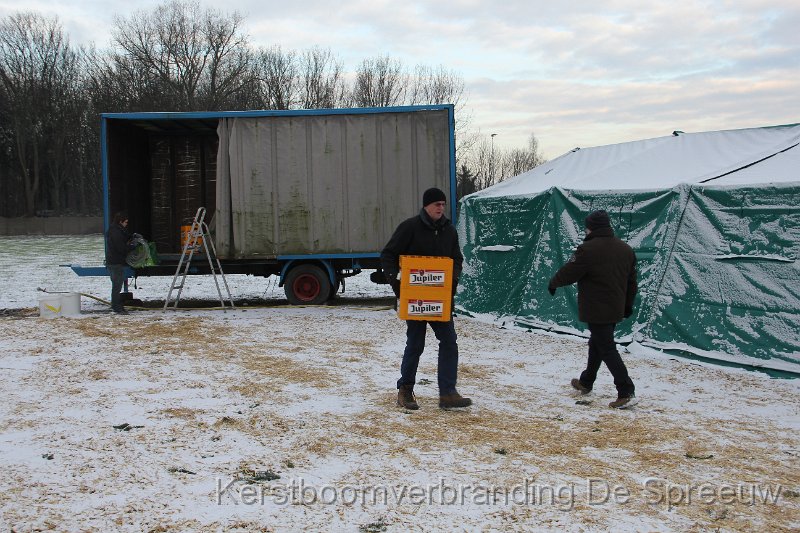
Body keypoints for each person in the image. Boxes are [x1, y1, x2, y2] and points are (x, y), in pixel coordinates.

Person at [381, 187, 472, 410]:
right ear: (426, 206)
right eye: (436, 204)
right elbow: (388, 255)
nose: (441, 208)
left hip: (440, 300)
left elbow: (457, 259)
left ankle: (448, 393)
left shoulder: (449, 231)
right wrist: (398, 284)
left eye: (443, 204)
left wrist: (452, 280)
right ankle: (405, 390)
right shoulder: (410, 227)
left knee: (449, 341)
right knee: (415, 343)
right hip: (415, 301)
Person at [547, 209, 639, 409]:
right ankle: (586, 381)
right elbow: (632, 282)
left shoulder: (588, 249)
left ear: (591, 228)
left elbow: (570, 271)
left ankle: (626, 391)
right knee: (597, 343)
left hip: (597, 308)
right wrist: (627, 306)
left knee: (606, 347)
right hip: (615, 307)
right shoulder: (626, 249)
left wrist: (554, 283)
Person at [106, 211, 135, 315]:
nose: (126, 224)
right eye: (125, 222)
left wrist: (132, 236)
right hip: (115, 263)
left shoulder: (115, 230)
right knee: (117, 286)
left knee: (116, 285)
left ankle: (116, 306)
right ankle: (116, 307)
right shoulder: (116, 232)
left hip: (114, 262)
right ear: (120, 221)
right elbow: (121, 248)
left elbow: (124, 237)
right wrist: (132, 247)